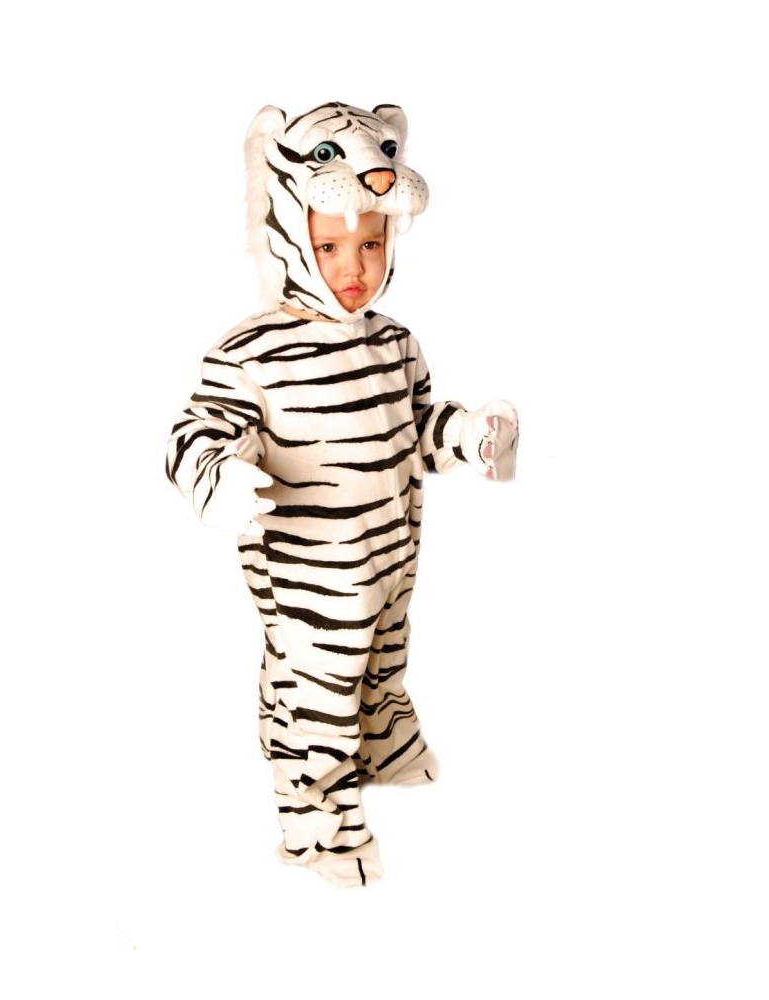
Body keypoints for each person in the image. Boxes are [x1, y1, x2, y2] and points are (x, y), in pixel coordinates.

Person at [166, 102, 518, 887]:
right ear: (290, 236)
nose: (352, 267)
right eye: (328, 245)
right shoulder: (251, 352)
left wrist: (469, 435)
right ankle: (317, 823)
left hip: (392, 556)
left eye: (371, 243)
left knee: (385, 660)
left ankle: (384, 745)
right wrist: (216, 475)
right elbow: (195, 431)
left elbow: (416, 428)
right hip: (311, 575)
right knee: (315, 691)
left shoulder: (395, 342)